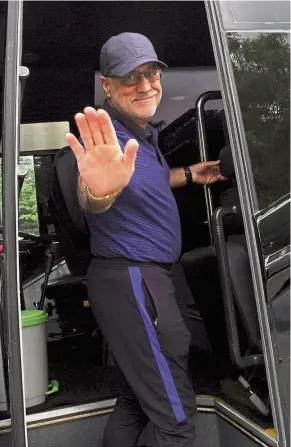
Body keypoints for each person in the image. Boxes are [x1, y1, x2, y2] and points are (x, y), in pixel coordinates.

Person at [65, 32, 225, 447]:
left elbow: (142, 181)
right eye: (129, 77)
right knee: (176, 420)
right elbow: (96, 193)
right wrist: (98, 191)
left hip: (143, 277)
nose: (144, 85)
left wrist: (189, 174)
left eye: (150, 72)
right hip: (134, 278)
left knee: (135, 402)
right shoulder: (104, 138)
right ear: (107, 85)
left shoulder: (141, 133)